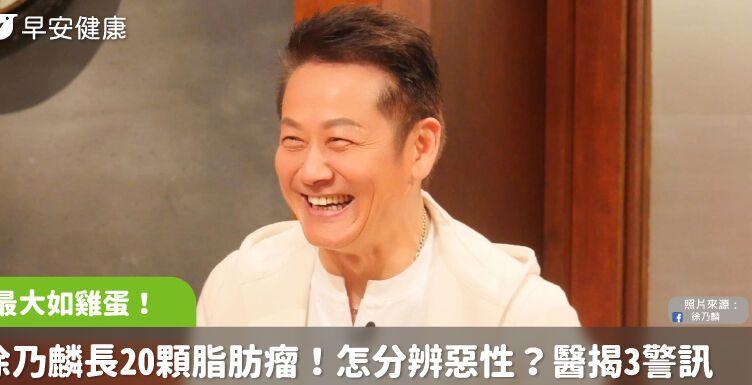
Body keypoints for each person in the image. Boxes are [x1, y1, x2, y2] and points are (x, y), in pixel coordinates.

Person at [196, 5, 579, 327]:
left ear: (420, 148)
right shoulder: (235, 291)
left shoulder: (519, 317)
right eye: (293, 140)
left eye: (340, 141)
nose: (311, 172)